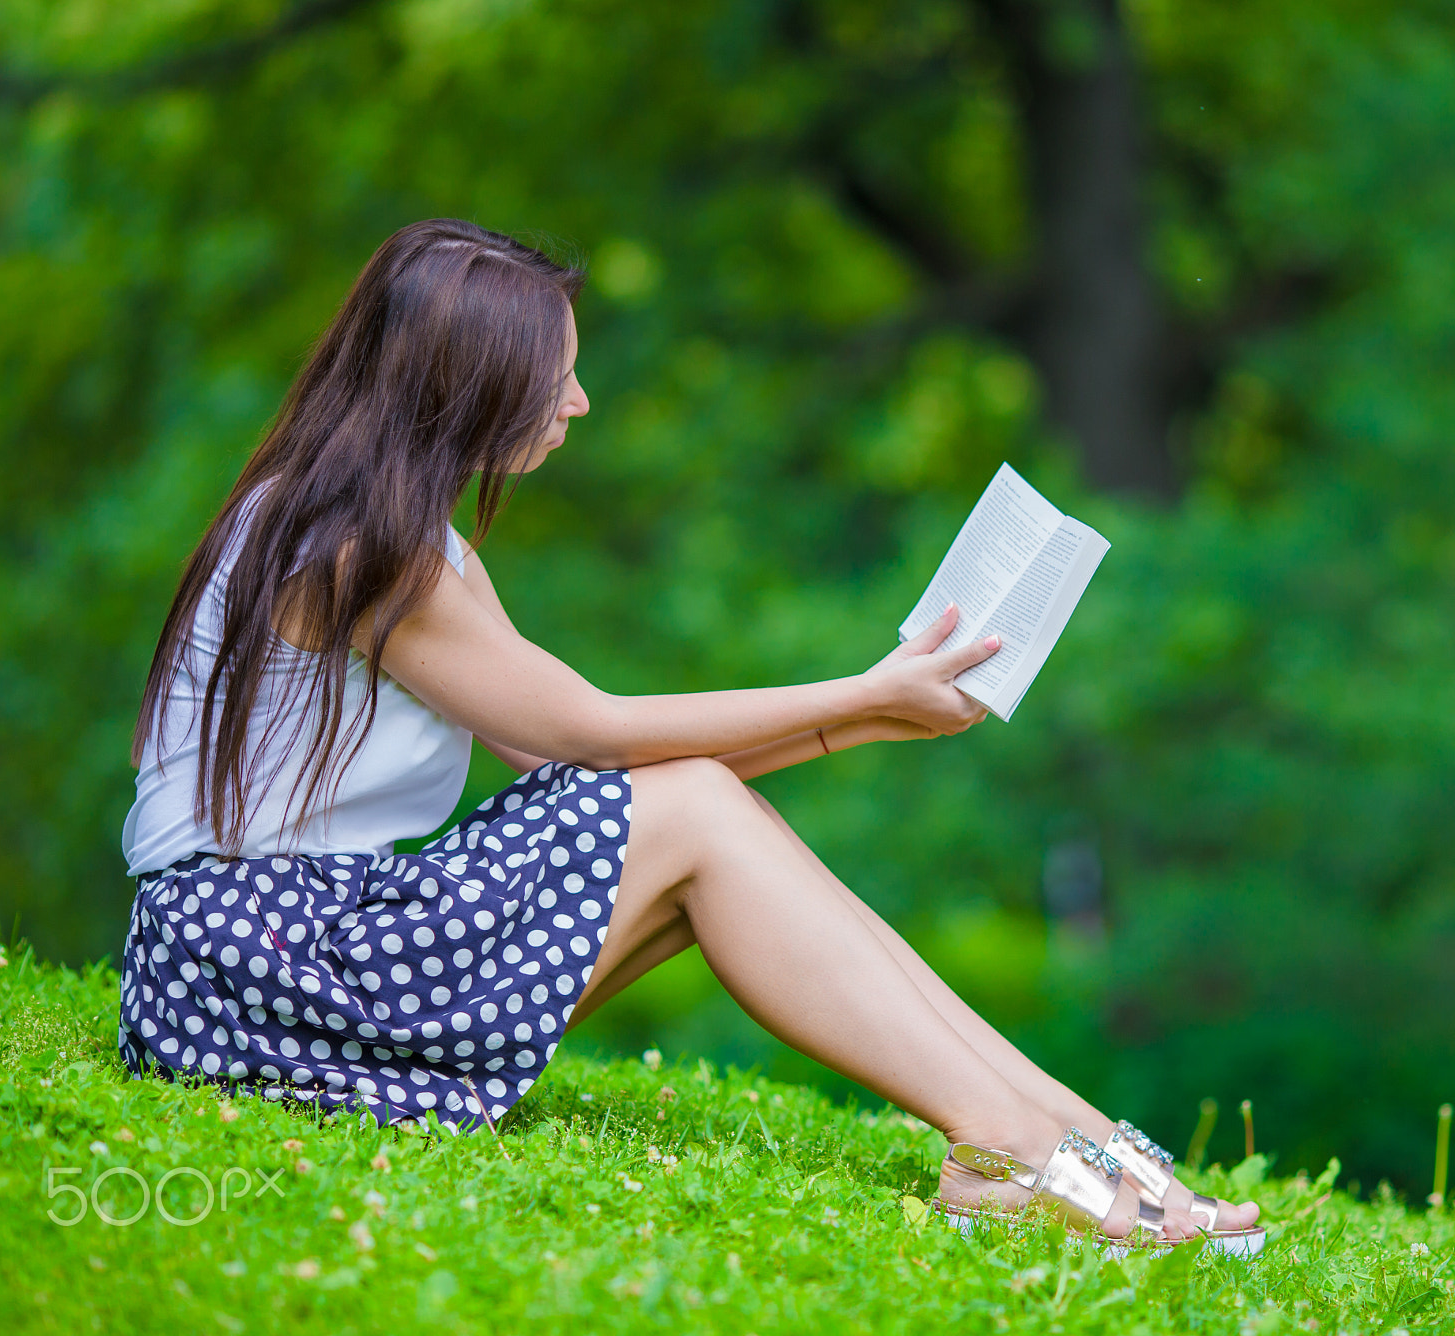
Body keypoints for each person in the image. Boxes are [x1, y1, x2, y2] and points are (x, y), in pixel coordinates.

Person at [119, 218, 1261, 1252]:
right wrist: (863, 694)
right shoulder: (359, 548)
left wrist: (869, 719)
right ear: (466, 389)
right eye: (554, 380)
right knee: (696, 806)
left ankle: (1066, 1131)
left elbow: (568, 760)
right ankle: (1015, 1148)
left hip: (297, 957)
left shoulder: (394, 538)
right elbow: (590, 731)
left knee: (707, 808)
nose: (575, 404)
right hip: (258, 974)